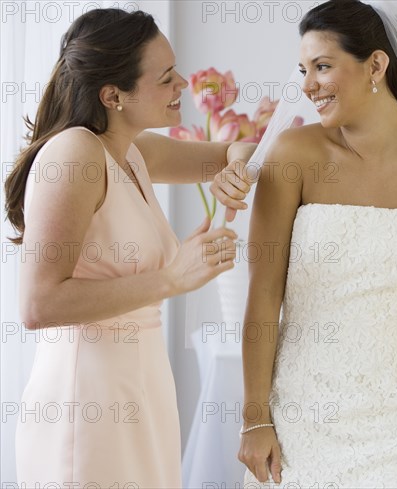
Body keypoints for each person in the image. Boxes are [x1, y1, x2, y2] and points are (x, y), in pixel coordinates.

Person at [212, 0, 397, 485]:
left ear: (376, 65)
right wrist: (255, 418)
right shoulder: (292, 156)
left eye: (322, 66)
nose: (307, 85)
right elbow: (263, 295)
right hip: (301, 417)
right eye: (303, 70)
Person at [4, 8, 254, 488]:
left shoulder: (133, 151)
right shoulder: (75, 153)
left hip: (141, 386)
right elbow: (38, 305)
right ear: (113, 95)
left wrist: (235, 170)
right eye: (165, 78)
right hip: (86, 399)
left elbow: (238, 150)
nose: (182, 82)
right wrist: (171, 278)